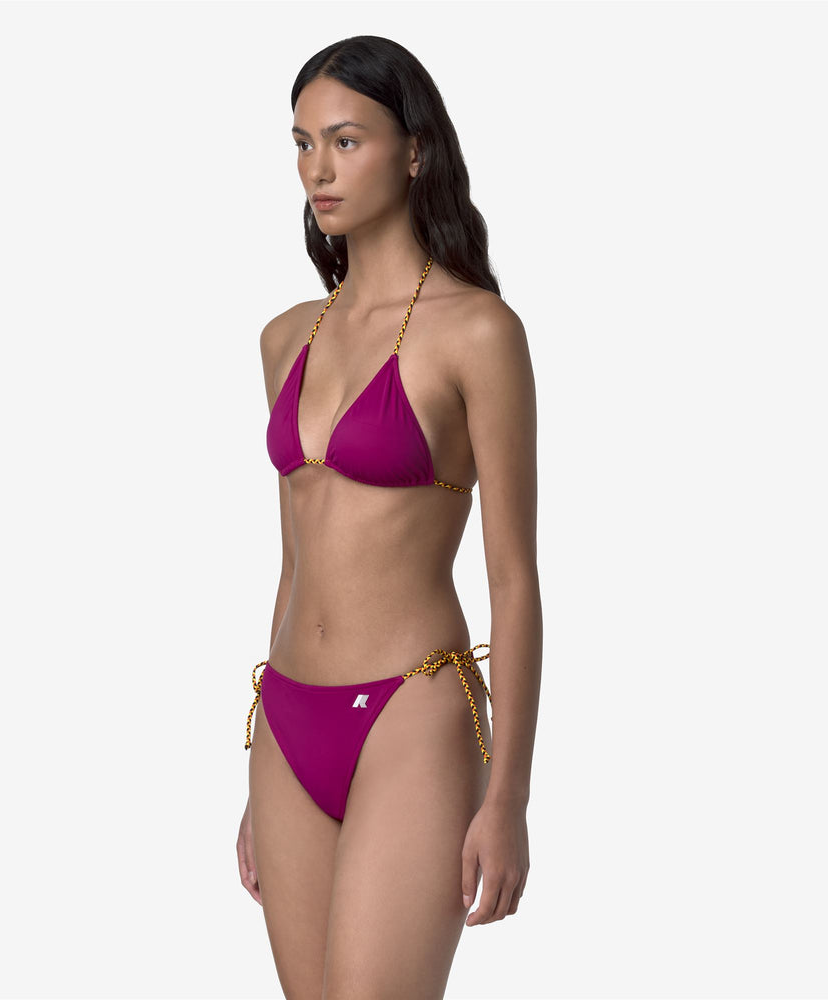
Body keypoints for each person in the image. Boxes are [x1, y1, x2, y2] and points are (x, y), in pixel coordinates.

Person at [236, 35, 543, 1000]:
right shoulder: (287, 337)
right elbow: (294, 558)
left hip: (412, 711)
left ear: (413, 150)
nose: (318, 170)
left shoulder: (477, 332)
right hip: (287, 719)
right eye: (302, 144)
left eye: (346, 140)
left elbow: (514, 579)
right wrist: (256, 777)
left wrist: (509, 797)